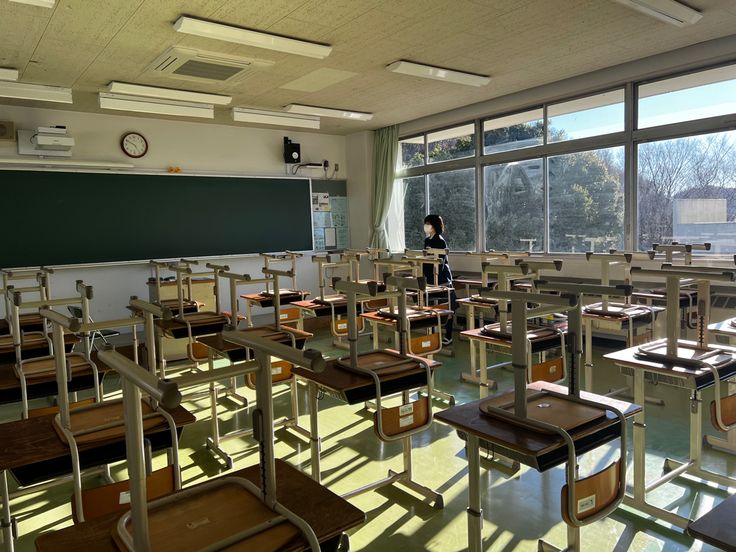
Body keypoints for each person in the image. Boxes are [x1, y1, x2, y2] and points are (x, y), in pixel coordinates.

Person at [422, 214, 456, 346]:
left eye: (428, 224)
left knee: (447, 306)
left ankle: (448, 336)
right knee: (432, 305)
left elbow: (441, 262)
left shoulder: (440, 241)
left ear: (435, 225)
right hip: (430, 277)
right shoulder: (427, 240)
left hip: (442, 277)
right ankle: (432, 335)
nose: (426, 226)